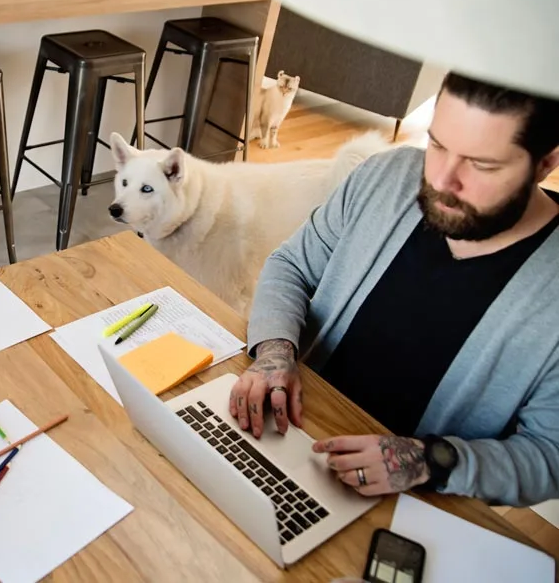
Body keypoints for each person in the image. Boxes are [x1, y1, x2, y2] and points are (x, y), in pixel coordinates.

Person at [229, 72, 559, 507]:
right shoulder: (386, 177)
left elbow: (548, 457)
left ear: (546, 163)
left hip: (416, 500)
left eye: (481, 164)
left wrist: (430, 460)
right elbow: (291, 265)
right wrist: (274, 354)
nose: (443, 180)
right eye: (438, 145)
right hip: (294, 430)